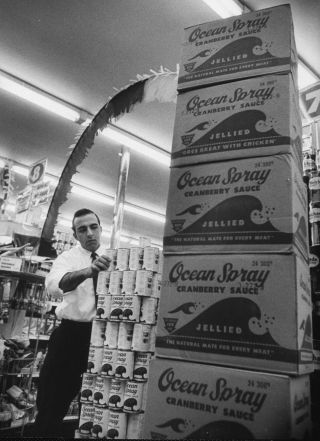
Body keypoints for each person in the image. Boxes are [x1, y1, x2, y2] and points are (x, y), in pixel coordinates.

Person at [33, 208, 111, 437]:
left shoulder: (115, 256)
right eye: (82, 229)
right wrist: (89, 271)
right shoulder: (67, 258)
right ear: (75, 235)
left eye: (93, 227)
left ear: (101, 228)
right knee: (52, 401)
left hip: (105, 337)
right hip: (71, 336)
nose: (89, 233)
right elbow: (56, 286)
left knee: (98, 406)